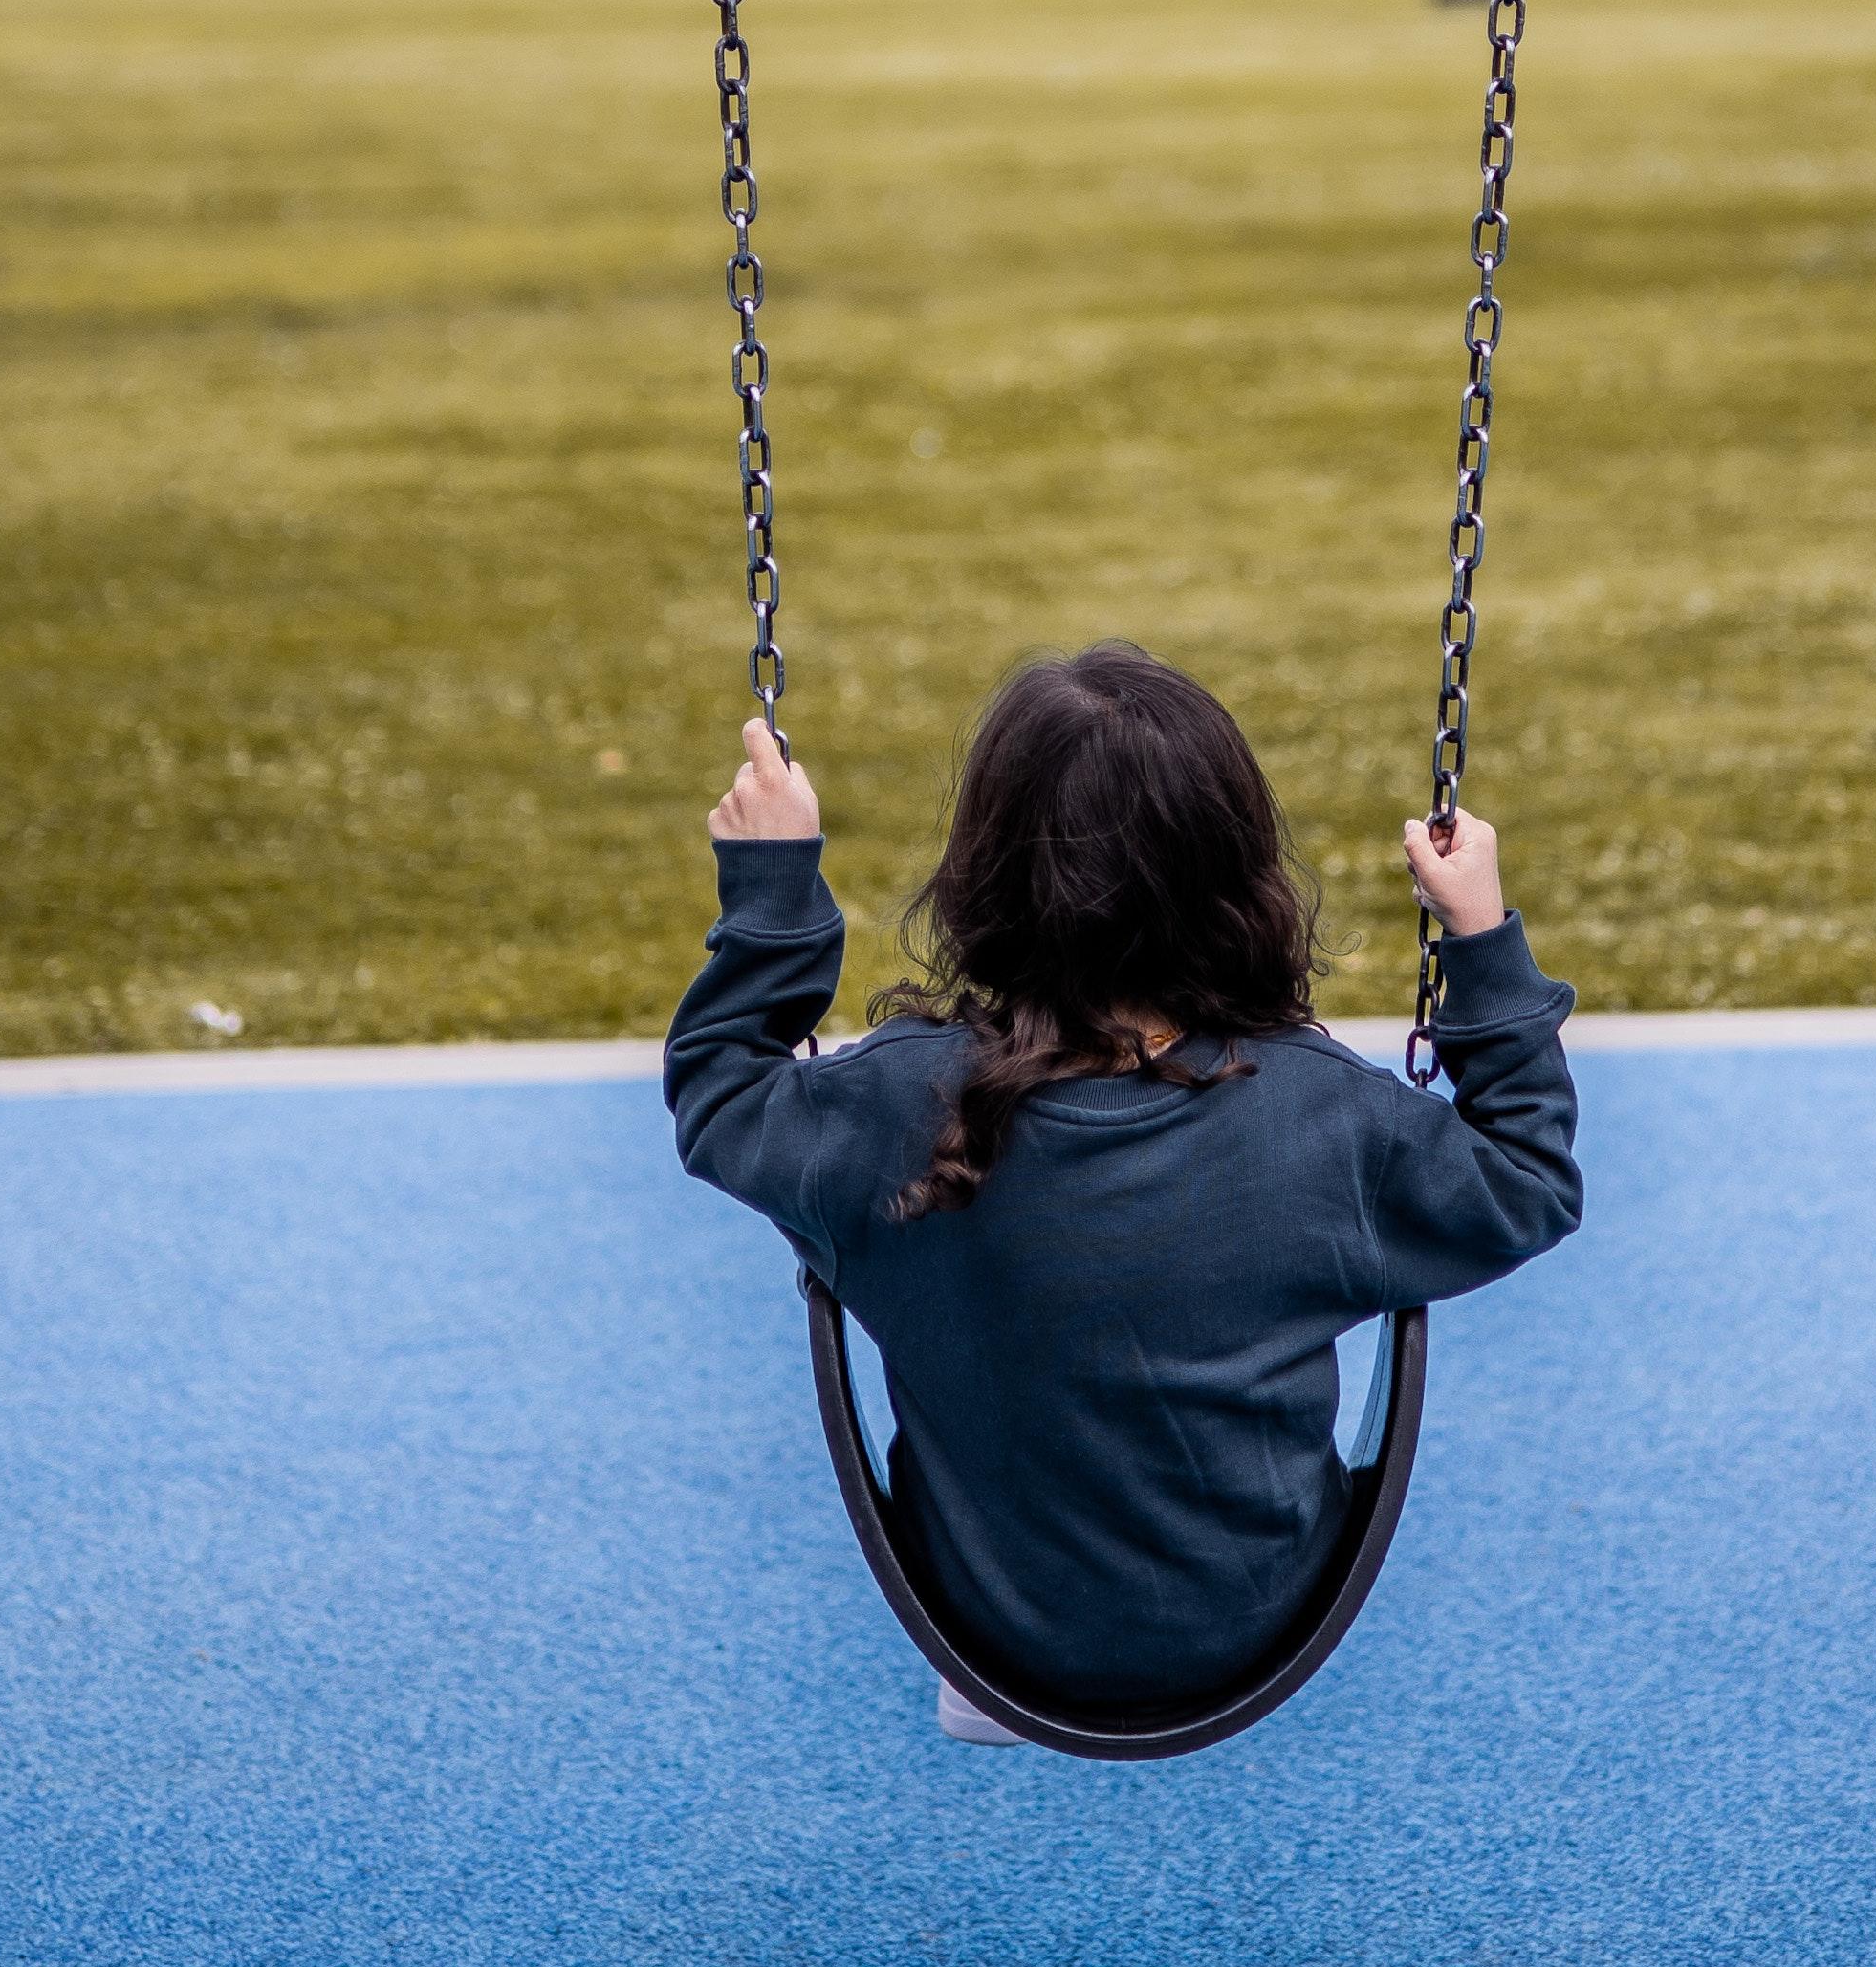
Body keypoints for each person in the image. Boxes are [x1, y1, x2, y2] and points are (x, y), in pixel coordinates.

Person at [665, 641, 1581, 1735]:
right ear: (1240, 873)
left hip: (991, 1630)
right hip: (1256, 1622)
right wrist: (1478, 933)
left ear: (983, 871)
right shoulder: (1326, 1124)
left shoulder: (892, 1115)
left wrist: (774, 886)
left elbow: (719, 1091)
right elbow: (1529, 1175)